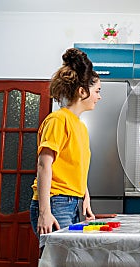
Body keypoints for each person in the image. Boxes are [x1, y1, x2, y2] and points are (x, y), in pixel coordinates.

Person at [30, 48, 100, 240]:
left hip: (72, 203)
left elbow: (76, 167)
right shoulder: (58, 120)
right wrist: (45, 212)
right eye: (97, 91)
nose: (99, 97)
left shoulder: (80, 126)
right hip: (55, 203)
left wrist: (85, 196)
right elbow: (44, 165)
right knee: (56, 259)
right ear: (82, 91)